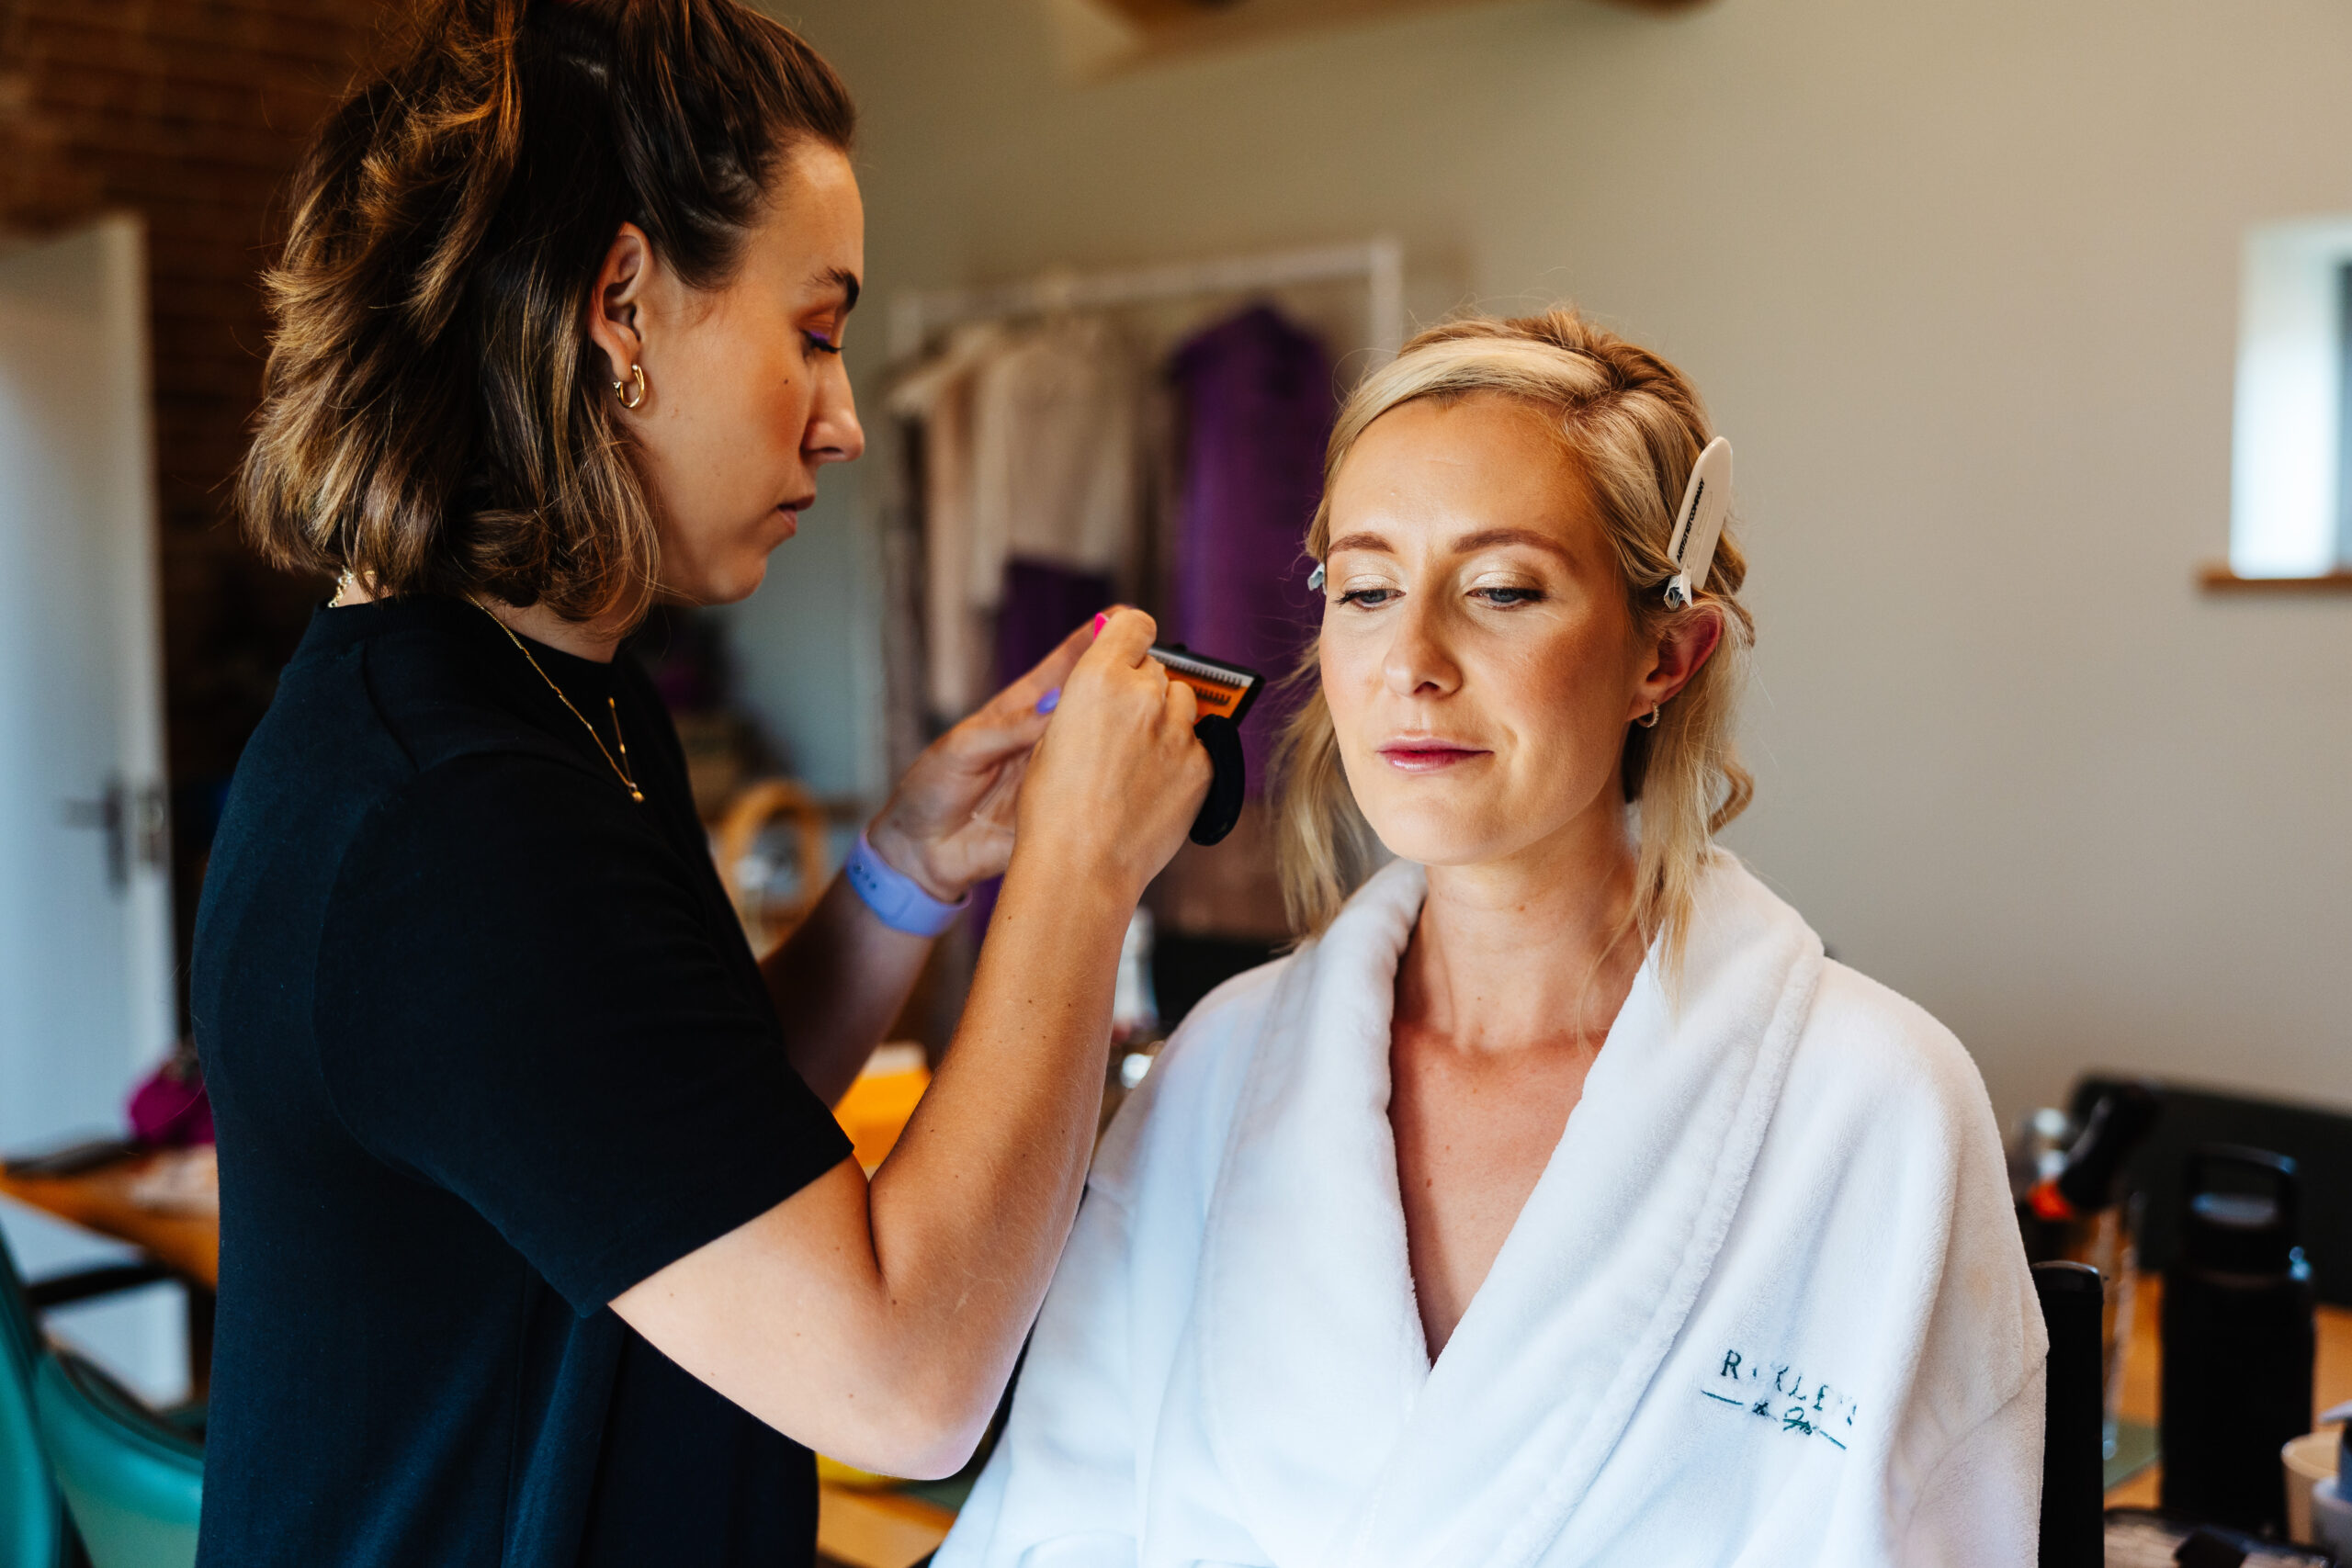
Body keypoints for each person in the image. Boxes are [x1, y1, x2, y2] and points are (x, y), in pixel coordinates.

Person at [187, 2, 1209, 1564]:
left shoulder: (549, 688)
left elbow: (681, 1146)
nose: (847, 415)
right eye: (815, 329)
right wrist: (1076, 876)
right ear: (622, 306)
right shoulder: (447, 825)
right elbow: (905, 1383)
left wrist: (908, 869)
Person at [937, 311, 2046, 1568]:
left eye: (1503, 589)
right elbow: (1052, 1534)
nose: (1411, 659)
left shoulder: (1879, 1106)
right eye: (1365, 590)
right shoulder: (1217, 1074)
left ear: (1665, 657)